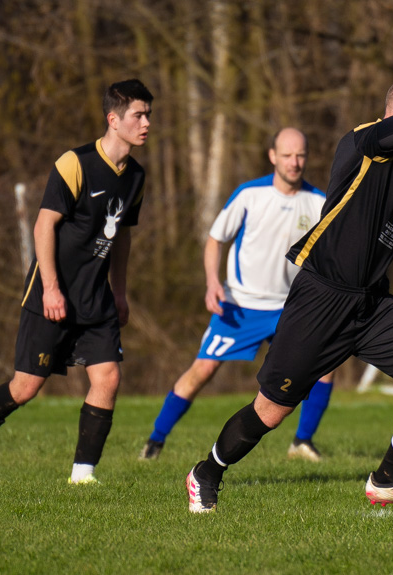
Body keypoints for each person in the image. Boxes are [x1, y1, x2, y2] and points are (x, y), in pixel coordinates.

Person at [185, 72, 393, 515]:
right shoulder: (369, 140)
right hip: (321, 301)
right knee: (271, 411)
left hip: (371, 304)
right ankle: (206, 473)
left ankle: (387, 479)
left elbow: (375, 218)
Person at [0, 79, 154, 485]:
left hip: (96, 297)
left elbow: (121, 236)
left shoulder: (136, 176)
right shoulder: (75, 163)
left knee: (108, 377)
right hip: (53, 292)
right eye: (138, 115)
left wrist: (119, 292)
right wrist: (51, 288)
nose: (146, 123)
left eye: (148, 115)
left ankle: (82, 477)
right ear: (113, 119)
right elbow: (43, 226)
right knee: (25, 388)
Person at [138, 128, 335, 463]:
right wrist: (213, 283)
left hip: (289, 308)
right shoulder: (249, 195)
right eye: (287, 155)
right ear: (272, 156)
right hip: (241, 306)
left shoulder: (317, 202)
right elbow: (215, 239)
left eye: (300, 155)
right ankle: (155, 442)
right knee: (203, 369)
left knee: (325, 366)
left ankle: (302, 442)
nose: (294, 162)